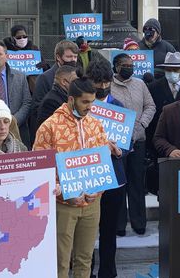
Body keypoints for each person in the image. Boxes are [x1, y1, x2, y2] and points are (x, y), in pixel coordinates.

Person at [33, 77, 121, 278]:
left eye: (93, 102)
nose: (90, 107)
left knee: (85, 260)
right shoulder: (50, 127)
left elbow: (102, 164)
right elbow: (39, 169)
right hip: (63, 204)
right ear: (71, 99)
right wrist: (62, 190)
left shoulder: (96, 124)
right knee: (60, 262)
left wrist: (98, 190)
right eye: (85, 102)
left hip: (92, 204)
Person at [85, 59, 129, 278]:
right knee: (86, 233)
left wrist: (119, 151)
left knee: (109, 231)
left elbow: (127, 144)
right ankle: (87, 272)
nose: (102, 87)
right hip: (89, 177)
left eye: (106, 82)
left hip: (114, 177)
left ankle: (108, 273)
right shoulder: (82, 107)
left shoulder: (118, 106)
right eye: (97, 83)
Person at [111, 53, 156, 236]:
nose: (129, 67)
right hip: (118, 144)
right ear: (115, 67)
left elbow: (150, 106)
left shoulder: (140, 84)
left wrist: (142, 124)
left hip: (138, 140)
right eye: (124, 65)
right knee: (120, 183)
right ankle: (119, 224)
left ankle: (139, 222)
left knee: (137, 182)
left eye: (131, 64)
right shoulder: (109, 86)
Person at [145, 52, 180, 194]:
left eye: (176, 70)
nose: (172, 73)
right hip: (161, 140)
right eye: (169, 70)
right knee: (164, 187)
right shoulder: (154, 87)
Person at [33, 39, 80, 108]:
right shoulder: (44, 78)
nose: (73, 60)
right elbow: (37, 107)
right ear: (58, 57)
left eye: (75, 57)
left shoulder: (79, 76)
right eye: (69, 57)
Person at [36, 65, 79, 130]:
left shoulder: (65, 96)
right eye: (74, 81)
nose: (77, 84)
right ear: (64, 82)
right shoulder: (51, 102)